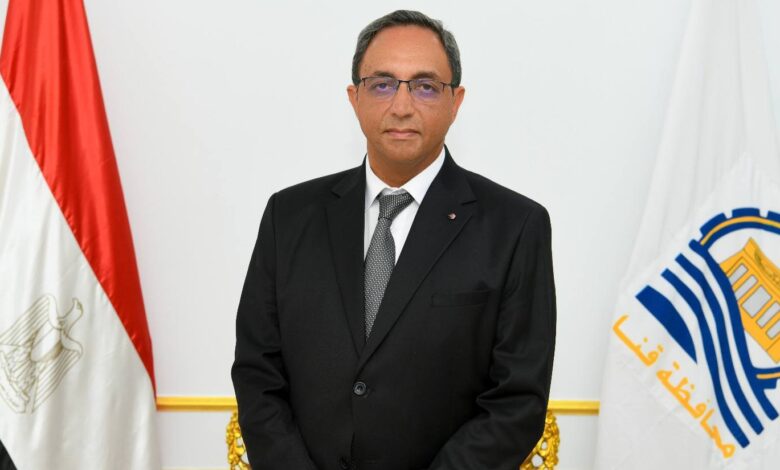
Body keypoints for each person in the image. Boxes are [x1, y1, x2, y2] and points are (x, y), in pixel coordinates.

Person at [232, 10, 556, 470]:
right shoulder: (288, 216)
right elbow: (258, 372)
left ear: (456, 101)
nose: (402, 106)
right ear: (355, 98)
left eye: (425, 86)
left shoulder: (515, 226)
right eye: (382, 84)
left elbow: (516, 401)